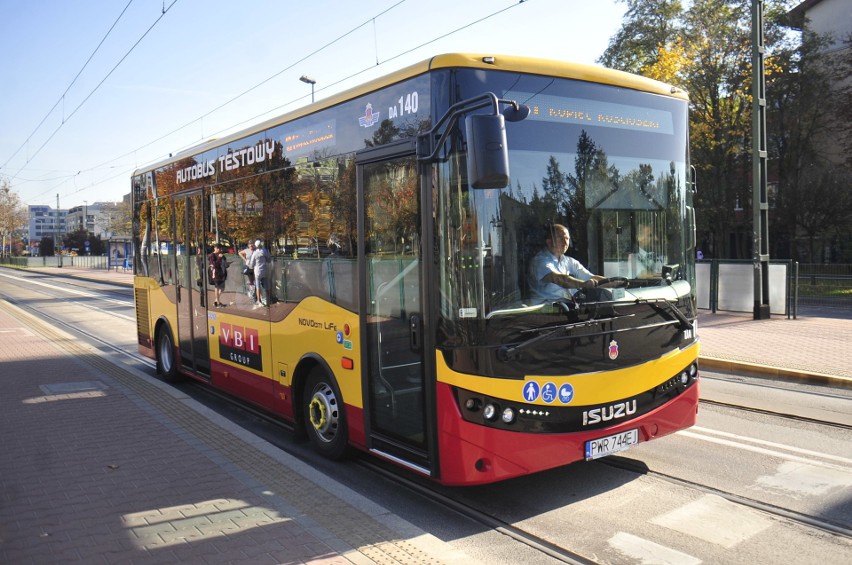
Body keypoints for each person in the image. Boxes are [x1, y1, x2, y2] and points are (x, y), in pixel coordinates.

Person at [528, 224, 605, 301]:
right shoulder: (539, 261)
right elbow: (559, 279)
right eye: (560, 238)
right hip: (544, 309)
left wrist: (613, 283)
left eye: (567, 238)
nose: (565, 242)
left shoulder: (569, 261)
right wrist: (583, 284)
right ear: (549, 241)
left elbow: (591, 277)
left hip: (565, 307)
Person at [247, 239, 270, 308]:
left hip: (257, 272)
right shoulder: (265, 251)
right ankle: (267, 300)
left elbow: (251, 264)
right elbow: (269, 259)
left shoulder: (255, 253)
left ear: (256, 246)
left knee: (257, 287)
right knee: (266, 285)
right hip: (264, 270)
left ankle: (259, 301)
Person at [208, 243, 228, 307]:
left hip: (222, 273)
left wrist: (227, 264)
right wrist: (219, 258)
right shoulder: (212, 255)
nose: (219, 249)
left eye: (220, 248)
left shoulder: (221, 255)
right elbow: (214, 265)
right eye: (218, 248)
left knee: (222, 288)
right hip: (215, 273)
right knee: (217, 287)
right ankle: (218, 302)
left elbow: (224, 263)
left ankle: (216, 300)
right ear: (215, 248)